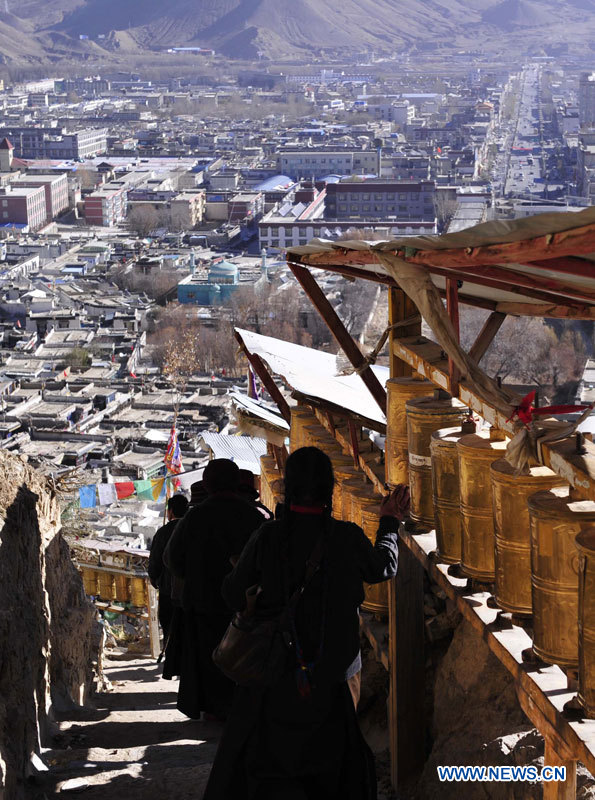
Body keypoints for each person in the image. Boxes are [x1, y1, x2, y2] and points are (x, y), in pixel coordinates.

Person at [204, 446, 408, 800]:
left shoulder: (267, 537)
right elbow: (383, 567)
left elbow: (232, 594)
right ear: (330, 490)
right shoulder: (346, 538)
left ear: (289, 488)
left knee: (275, 761)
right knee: (335, 765)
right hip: (336, 677)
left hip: (276, 676)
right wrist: (389, 521)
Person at [164, 458, 264, 720]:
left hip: (202, 602)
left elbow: (172, 559)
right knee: (240, 654)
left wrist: (195, 577)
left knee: (207, 658)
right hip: (243, 605)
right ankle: (237, 707)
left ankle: (211, 709)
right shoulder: (253, 517)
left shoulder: (194, 517)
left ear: (207, 484)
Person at [148, 493, 189, 643]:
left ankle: (170, 659)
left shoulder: (163, 532)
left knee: (169, 627)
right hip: (191, 589)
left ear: (170, 511)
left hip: (168, 588)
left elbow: (155, 559)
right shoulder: (193, 529)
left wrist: (154, 577)